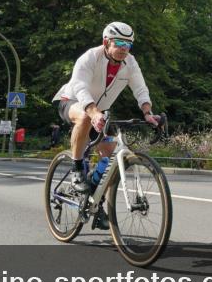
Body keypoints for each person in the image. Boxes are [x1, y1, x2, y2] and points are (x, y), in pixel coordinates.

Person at [52, 22, 159, 230]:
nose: (124, 49)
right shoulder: (90, 57)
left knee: (110, 159)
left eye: (128, 44)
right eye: (119, 43)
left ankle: (96, 201)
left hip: (100, 111)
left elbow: (140, 88)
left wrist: (147, 112)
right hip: (71, 101)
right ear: (106, 42)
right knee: (83, 117)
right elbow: (80, 86)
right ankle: (76, 169)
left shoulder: (130, 62)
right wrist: (92, 112)